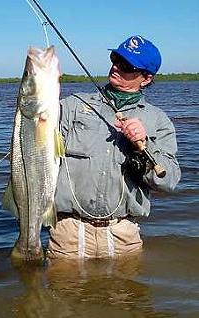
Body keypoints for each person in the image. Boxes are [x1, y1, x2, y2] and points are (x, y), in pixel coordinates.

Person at [47, 35, 181, 259]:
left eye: (126, 66)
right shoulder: (72, 106)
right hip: (67, 234)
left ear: (146, 78)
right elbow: (33, 136)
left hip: (123, 236)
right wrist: (45, 84)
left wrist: (145, 146)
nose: (116, 67)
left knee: (127, 294)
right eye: (115, 58)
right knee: (62, 293)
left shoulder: (158, 120)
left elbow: (170, 180)